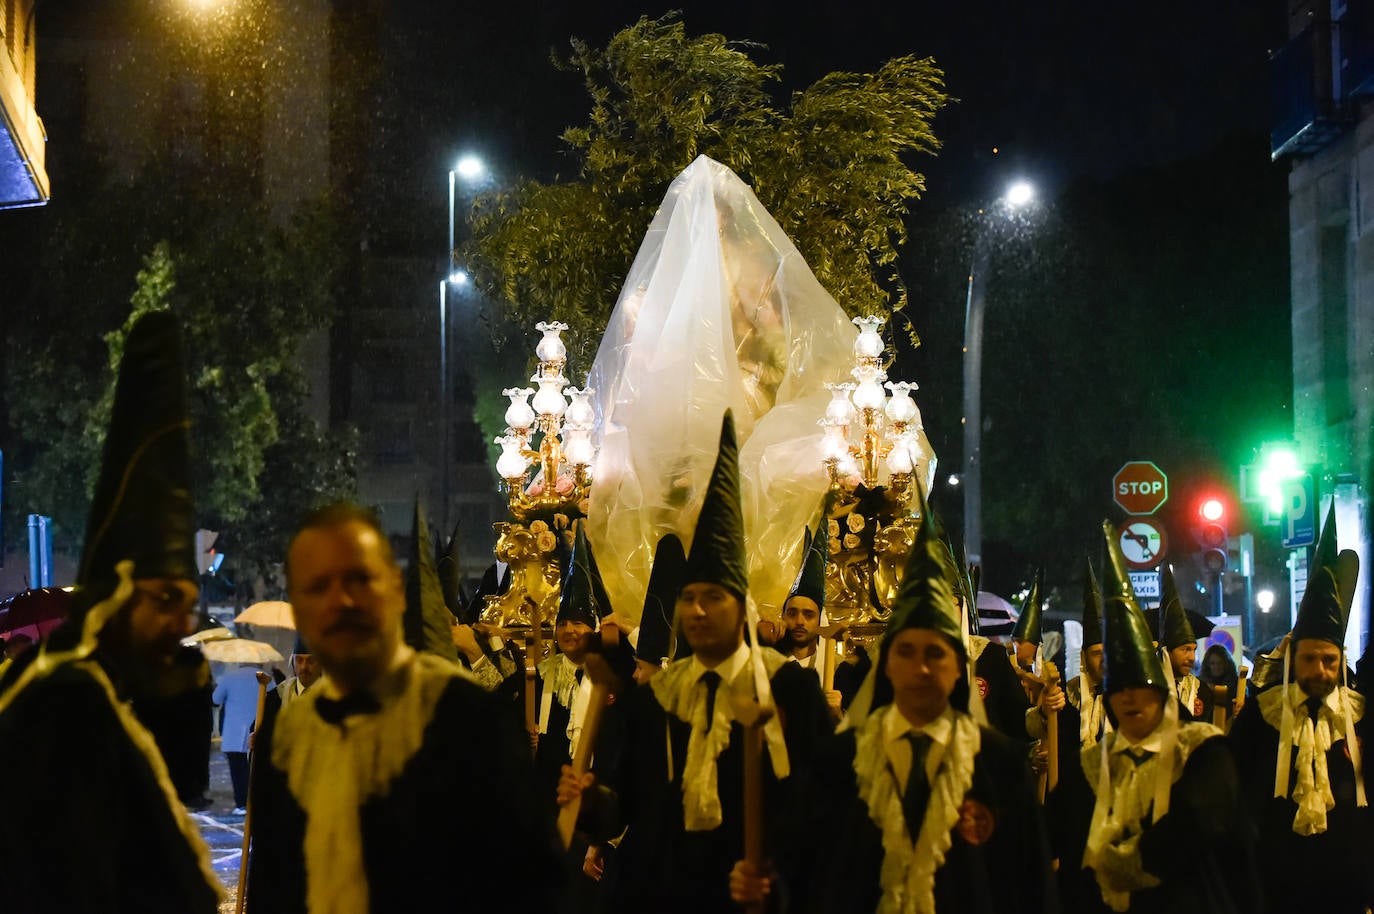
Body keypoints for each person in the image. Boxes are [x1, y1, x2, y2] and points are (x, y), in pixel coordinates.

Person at [559, 412, 833, 913]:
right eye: (689, 599)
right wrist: (590, 798)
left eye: (713, 597)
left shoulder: (787, 691)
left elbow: (821, 805)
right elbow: (624, 806)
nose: (699, 611)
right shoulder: (655, 699)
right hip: (661, 892)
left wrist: (774, 874)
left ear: (742, 605)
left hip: (750, 894)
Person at [0, 312, 222, 912]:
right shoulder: (63, 702)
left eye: (187, 602)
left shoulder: (107, 687)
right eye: (165, 601)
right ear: (119, 592)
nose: (182, 623)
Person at [247, 502, 560, 912]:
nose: (340, 602)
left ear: (393, 589)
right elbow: (275, 885)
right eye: (317, 587)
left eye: (358, 580)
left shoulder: (475, 721)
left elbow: (532, 884)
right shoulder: (287, 737)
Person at [794, 483, 1056, 914]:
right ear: (887, 664)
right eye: (907, 652)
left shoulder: (998, 766)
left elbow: (1027, 884)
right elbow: (812, 873)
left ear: (959, 666)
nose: (921, 669)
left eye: (936, 653)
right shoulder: (843, 759)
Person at [1049, 522, 1255, 914]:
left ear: (1161, 692)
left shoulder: (1203, 753)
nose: (1130, 699)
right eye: (1119, 690)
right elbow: (1049, 835)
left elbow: (1202, 826)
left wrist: (1128, 861)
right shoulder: (1093, 764)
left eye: (1140, 687)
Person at [1228, 503, 1373, 912]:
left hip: (1348, 888)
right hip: (1276, 887)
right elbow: (1238, 800)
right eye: (1310, 659)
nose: (1320, 670)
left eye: (1329, 660)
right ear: (1294, 659)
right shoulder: (1261, 717)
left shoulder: (1363, 718)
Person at [775, 524, 845, 718]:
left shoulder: (839, 670)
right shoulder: (767, 664)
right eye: (792, 613)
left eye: (808, 614)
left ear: (820, 620)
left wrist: (837, 714)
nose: (799, 621)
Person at [214, 662, 267, 814]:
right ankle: (257, 803)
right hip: (258, 730)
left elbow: (216, 699)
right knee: (257, 771)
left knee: (237, 771)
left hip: (234, 733)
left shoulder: (229, 677)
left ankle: (241, 804)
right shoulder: (265, 677)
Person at [1156, 565, 1201, 719]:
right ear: (1167, 652)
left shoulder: (1202, 692)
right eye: (1185, 649)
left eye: (1194, 650)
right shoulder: (1147, 693)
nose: (1192, 657)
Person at [1196, 644, 1243, 727]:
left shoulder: (1236, 683)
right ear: (1208, 665)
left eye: (1220, 663)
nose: (1216, 667)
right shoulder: (1200, 684)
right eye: (1212, 663)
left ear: (1226, 663)